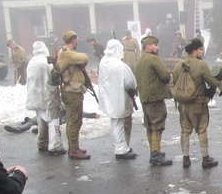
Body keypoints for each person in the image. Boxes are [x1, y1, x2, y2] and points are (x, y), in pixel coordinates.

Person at [172, 38, 219, 169]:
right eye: (200, 49)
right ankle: (205, 158)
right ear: (194, 51)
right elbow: (213, 82)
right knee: (202, 130)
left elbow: (175, 83)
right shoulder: (201, 65)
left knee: (185, 131)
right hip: (198, 104)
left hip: (182, 105)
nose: (202, 52)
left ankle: (185, 159)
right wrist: (209, 95)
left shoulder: (178, 65)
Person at [134, 35, 174, 166]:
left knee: (149, 126)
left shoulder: (140, 61)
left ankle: (154, 151)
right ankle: (155, 154)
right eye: (156, 45)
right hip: (155, 97)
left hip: (145, 98)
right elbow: (165, 76)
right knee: (157, 125)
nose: (158, 47)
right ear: (149, 46)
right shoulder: (153, 59)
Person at [99, 39, 138, 160]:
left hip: (109, 97)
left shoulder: (103, 62)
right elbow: (130, 83)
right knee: (122, 124)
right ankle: (121, 148)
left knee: (117, 123)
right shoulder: (120, 65)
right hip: (121, 98)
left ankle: (123, 145)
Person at [26, 41, 66, 156]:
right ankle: (55, 145)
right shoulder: (46, 61)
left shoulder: (31, 62)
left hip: (35, 96)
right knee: (53, 120)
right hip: (48, 95)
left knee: (41, 118)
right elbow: (54, 76)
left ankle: (42, 142)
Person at [57, 30, 91, 160]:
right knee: (74, 120)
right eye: (76, 40)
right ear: (73, 40)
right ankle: (74, 149)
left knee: (75, 119)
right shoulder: (65, 53)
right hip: (71, 91)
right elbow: (84, 58)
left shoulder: (68, 53)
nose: (77, 42)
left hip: (75, 90)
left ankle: (74, 147)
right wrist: (84, 57)